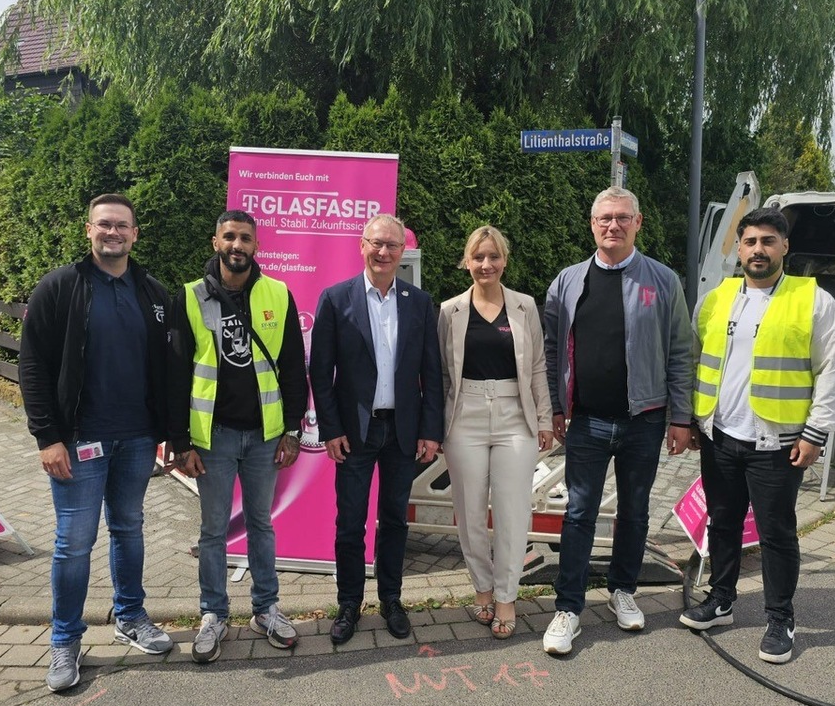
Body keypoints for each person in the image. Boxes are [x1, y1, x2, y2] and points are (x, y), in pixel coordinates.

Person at [680, 206, 835, 663]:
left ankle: (780, 617)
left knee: (776, 533)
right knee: (723, 522)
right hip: (720, 437)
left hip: (776, 443)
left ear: (784, 247)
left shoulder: (812, 300)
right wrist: (696, 420)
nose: (759, 250)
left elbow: (834, 370)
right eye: (751, 241)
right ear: (739, 248)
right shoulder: (717, 297)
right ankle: (721, 599)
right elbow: (696, 359)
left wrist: (816, 433)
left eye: (768, 241)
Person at [19, 193, 173, 692]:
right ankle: (65, 641)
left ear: (135, 233)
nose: (113, 233)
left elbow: (168, 369)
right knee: (73, 543)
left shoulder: (153, 292)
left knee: (129, 528)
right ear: (89, 230)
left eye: (122, 226)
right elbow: (33, 366)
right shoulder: (60, 288)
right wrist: (48, 437)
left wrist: (168, 434)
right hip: (79, 441)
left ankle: (130, 616)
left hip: (136, 439)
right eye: (104, 225)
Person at [541, 186, 694, 655]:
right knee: (579, 513)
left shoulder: (663, 281)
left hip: (643, 420)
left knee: (635, 511)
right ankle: (568, 608)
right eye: (605, 218)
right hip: (586, 420)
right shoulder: (567, 282)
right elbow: (552, 353)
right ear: (592, 224)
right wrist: (556, 406)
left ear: (638, 223)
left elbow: (681, 353)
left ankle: (623, 589)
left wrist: (681, 417)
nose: (613, 225)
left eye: (623, 217)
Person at [168, 210, 308, 662]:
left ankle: (266, 608)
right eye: (229, 236)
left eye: (245, 238)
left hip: (265, 436)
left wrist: (290, 430)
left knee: (261, 524)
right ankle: (213, 613)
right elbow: (174, 374)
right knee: (212, 530)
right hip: (214, 437)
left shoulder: (278, 294)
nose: (237, 245)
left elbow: (292, 367)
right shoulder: (190, 297)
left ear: (256, 245)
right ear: (215, 242)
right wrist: (180, 442)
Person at [309, 213, 443, 644]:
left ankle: (391, 599)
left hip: (402, 433)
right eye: (376, 244)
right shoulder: (335, 298)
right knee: (350, 523)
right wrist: (330, 429)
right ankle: (349, 603)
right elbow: (320, 372)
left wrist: (430, 430)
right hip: (354, 434)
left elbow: (431, 373)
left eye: (392, 245)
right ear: (361, 245)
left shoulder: (419, 302)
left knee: (394, 522)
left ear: (403, 252)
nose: (383, 252)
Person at [438, 226, 553, 639]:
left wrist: (544, 419)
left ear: (504, 260)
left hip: (514, 416)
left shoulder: (524, 306)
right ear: (466, 262)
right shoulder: (449, 310)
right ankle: (482, 589)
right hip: (464, 413)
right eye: (478, 257)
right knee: (469, 514)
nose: (486, 265)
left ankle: (507, 597)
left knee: (512, 512)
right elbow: (440, 375)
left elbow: (538, 366)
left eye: (493, 257)